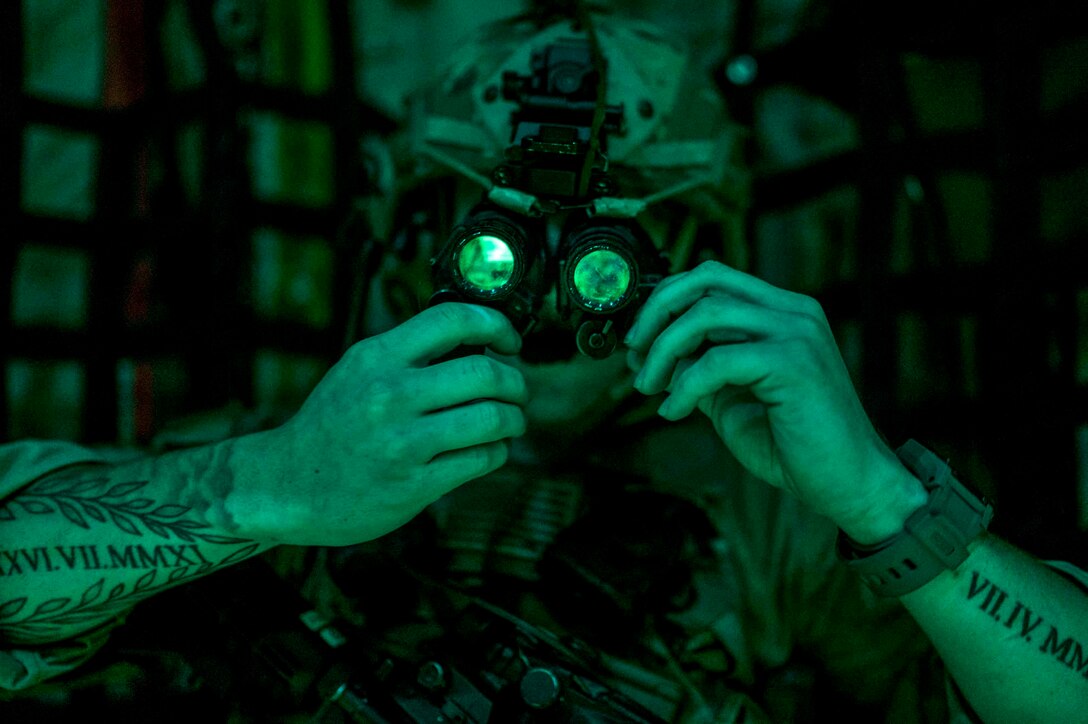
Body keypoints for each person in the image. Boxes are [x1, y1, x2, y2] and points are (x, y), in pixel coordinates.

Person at [3, 8, 1087, 722]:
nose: (548, 289)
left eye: (611, 248)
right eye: (489, 233)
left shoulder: (772, 513)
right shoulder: (272, 455)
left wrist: (883, 501)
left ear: (705, 255)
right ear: (396, 233)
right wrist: (275, 485)